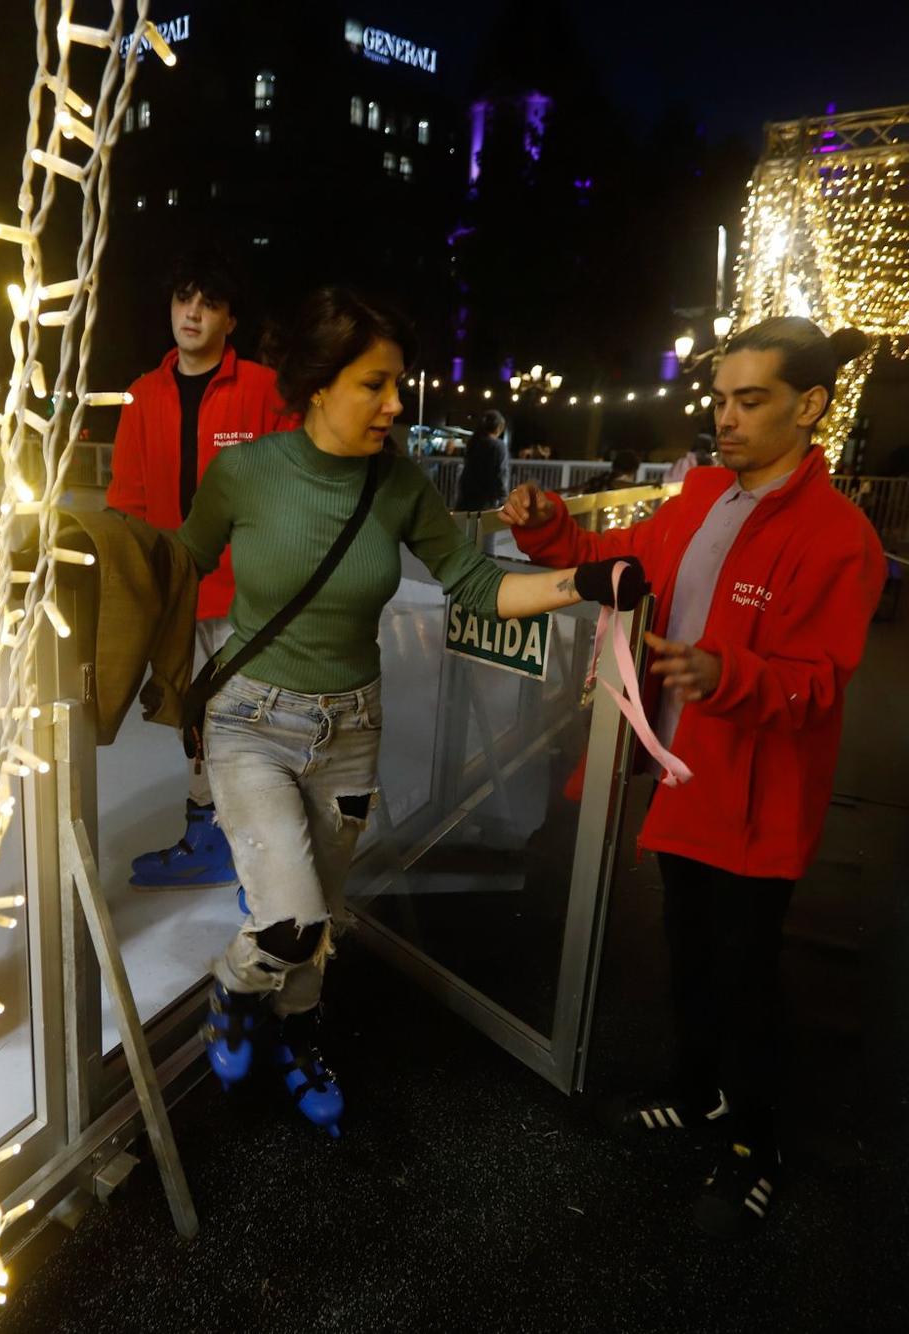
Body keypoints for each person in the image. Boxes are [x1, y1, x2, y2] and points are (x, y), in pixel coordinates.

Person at [177, 286, 638, 1135]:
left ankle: (299, 1038)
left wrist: (585, 581)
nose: (396, 403)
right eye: (374, 384)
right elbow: (178, 568)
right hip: (252, 724)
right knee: (289, 915)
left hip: (350, 731)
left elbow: (471, 582)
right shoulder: (245, 472)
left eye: (397, 383)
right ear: (318, 383)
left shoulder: (398, 484)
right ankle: (237, 991)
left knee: (328, 915)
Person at [500, 317, 884, 1238]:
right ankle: (695, 1088)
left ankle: (757, 1145)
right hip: (685, 776)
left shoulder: (840, 537)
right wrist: (548, 524)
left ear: (812, 405)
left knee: (747, 973)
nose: (729, 418)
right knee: (686, 947)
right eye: (722, 399)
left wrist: (726, 674)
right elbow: (610, 563)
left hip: (756, 799)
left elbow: (818, 683)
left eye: (752, 401)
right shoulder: (701, 496)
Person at [107, 247, 297, 892]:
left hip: (254, 595)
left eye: (208, 303)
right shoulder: (141, 395)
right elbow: (127, 502)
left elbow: (303, 481)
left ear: (230, 320)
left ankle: (266, 861)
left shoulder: (264, 391)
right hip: (180, 594)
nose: (192, 313)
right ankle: (207, 840)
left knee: (255, 723)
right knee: (195, 722)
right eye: (183, 300)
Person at [455, 408, 512, 511]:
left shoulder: (473, 442)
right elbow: (501, 473)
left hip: (467, 494)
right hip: (486, 499)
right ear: (498, 427)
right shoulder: (498, 446)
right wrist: (504, 498)